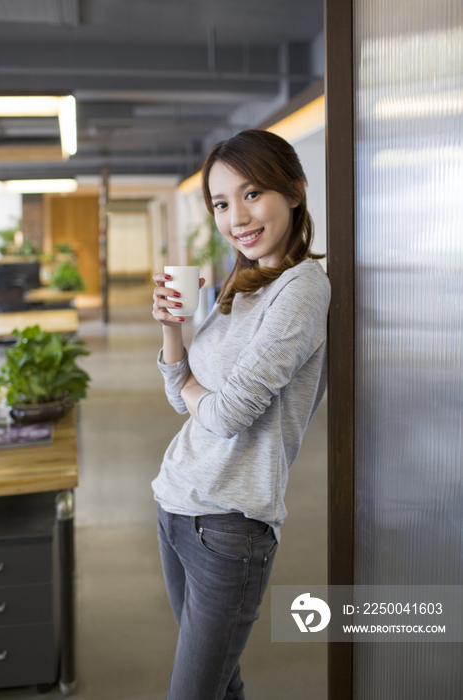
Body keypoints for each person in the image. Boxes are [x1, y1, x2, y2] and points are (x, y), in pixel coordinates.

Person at [151, 129, 331, 700]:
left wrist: (202, 395)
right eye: (223, 204)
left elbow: (227, 415)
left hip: (230, 526)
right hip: (175, 503)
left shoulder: (302, 289)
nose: (237, 217)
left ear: (296, 191)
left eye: (253, 194)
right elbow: (182, 398)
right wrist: (171, 330)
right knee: (219, 686)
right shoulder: (242, 284)